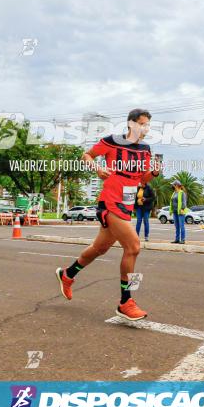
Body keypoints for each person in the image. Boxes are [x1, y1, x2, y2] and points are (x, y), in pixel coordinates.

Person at [55, 109, 160, 321]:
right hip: (110, 202)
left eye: (148, 124)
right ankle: (126, 302)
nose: (145, 128)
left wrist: (154, 172)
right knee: (134, 247)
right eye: (142, 123)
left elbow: (142, 180)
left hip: (127, 205)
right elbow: (86, 155)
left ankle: (67, 274)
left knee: (99, 248)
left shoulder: (146, 149)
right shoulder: (112, 141)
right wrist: (97, 169)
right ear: (131, 124)